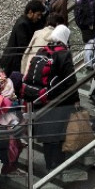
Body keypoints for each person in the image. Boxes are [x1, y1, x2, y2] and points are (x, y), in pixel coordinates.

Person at [24, 24, 77, 172]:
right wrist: (75, 100)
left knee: (47, 135)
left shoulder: (43, 50)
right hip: (59, 101)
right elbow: (71, 80)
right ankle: (58, 166)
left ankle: (49, 165)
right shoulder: (64, 54)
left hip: (41, 99)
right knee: (59, 133)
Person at [0, 0, 47, 75]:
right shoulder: (22, 25)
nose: (39, 17)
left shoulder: (27, 22)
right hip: (13, 62)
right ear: (31, 12)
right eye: (38, 15)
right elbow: (23, 46)